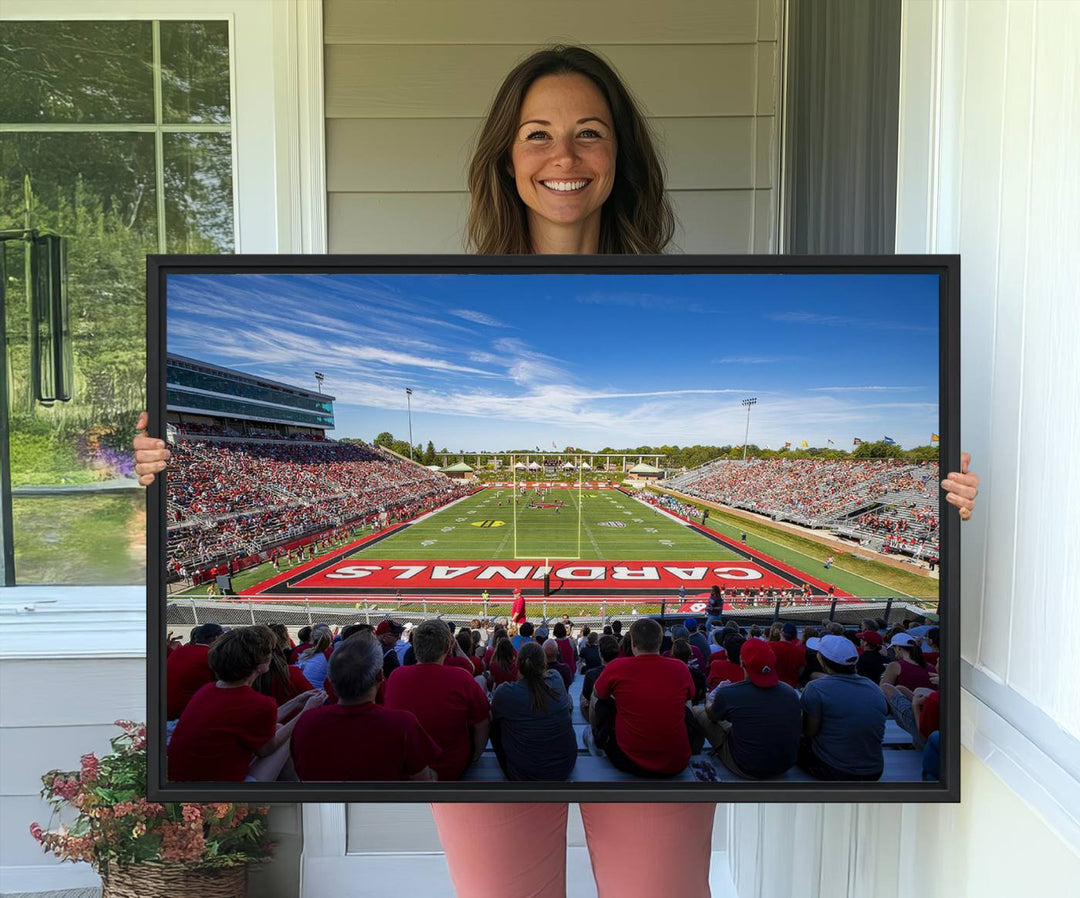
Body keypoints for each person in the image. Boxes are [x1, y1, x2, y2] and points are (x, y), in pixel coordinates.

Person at [134, 42, 980, 898]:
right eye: (537, 133)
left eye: (590, 133)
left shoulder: (685, 292)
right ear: (506, 157)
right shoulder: (445, 285)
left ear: (623, 156)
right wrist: (163, 469)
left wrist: (942, 501)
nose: (564, 156)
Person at [167, 626, 325, 781]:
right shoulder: (258, 703)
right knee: (289, 735)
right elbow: (266, 748)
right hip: (219, 786)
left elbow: (256, 721)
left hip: (187, 776)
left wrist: (297, 702)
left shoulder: (208, 691)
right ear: (260, 663)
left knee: (278, 727)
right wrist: (306, 711)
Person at [290, 631, 439, 781]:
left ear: (331, 681)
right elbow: (423, 783)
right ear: (379, 677)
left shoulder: (306, 722)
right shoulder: (402, 724)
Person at [383, 619, 490, 782]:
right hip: (452, 770)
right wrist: (474, 757)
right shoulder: (461, 677)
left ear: (415, 646)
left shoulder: (396, 677)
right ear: (448, 648)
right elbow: (483, 723)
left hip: (408, 772)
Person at [589, 618, 698, 777]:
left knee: (599, 699)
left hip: (628, 761)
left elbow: (597, 695)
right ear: (660, 642)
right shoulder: (680, 667)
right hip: (676, 762)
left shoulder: (617, 666)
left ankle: (595, 736)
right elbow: (690, 699)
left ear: (633, 643)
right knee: (686, 705)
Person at [694, 639, 801, 779]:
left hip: (746, 767)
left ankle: (694, 754)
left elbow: (712, 716)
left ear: (742, 662)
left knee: (697, 710)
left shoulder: (729, 693)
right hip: (784, 767)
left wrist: (709, 702)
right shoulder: (790, 692)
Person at [798, 634, 888, 781]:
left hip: (836, 770)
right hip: (874, 771)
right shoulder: (873, 687)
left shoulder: (816, 688)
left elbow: (808, 732)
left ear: (821, 659)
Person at [490, 641, 578, 781]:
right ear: (544, 664)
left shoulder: (505, 692)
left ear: (517, 664)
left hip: (524, 775)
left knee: (494, 722)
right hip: (565, 766)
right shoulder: (556, 678)